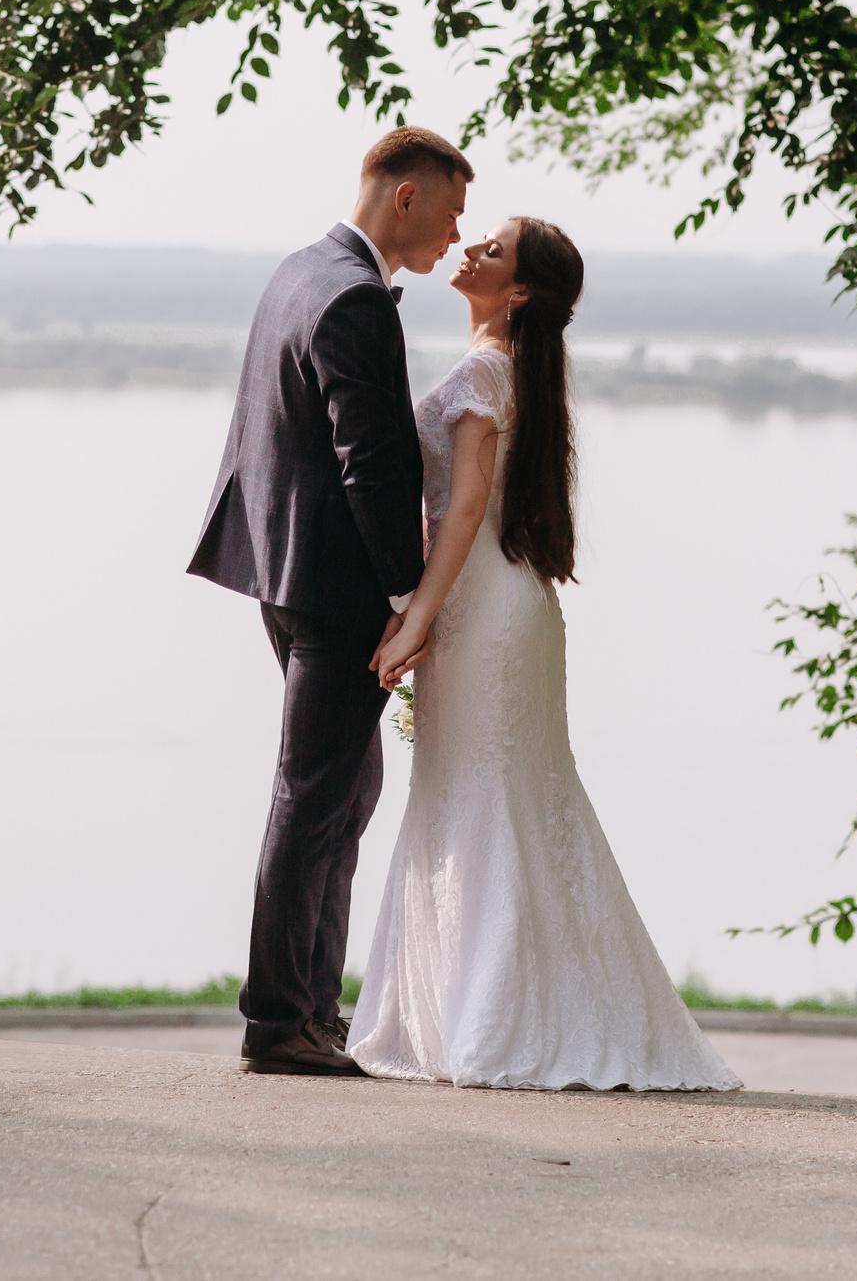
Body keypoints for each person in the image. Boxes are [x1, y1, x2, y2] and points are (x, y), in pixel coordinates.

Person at [351, 217, 742, 1092]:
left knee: (490, 796)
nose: (473, 251)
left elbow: (460, 512)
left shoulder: (490, 368)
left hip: (483, 611)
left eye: (493, 251)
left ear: (519, 290)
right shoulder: (509, 367)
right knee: (490, 795)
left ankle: (493, 1019)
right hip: (497, 605)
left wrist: (414, 614)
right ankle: (486, 1008)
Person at [188, 125, 472, 1076]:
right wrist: (408, 594)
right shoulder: (354, 298)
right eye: (450, 207)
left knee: (346, 787)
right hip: (340, 585)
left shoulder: (299, 271)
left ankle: (315, 1004)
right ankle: (279, 1021)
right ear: (405, 197)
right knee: (314, 795)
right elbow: (372, 464)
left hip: (282, 568)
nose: (454, 230)